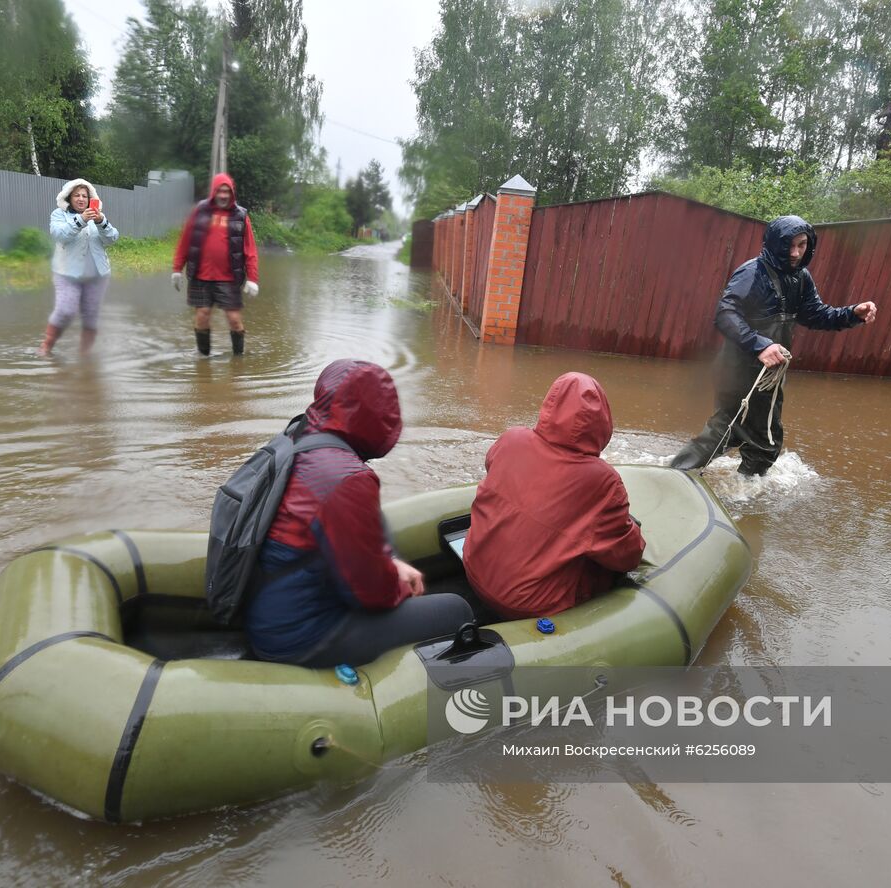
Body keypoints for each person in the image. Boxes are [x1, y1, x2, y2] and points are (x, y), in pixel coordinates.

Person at [244, 359, 474, 667]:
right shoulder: (346, 479)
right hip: (303, 635)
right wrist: (398, 582)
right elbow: (369, 594)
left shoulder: (297, 437)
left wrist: (389, 562)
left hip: (271, 608)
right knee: (457, 610)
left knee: (379, 524)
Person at [669, 215, 877, 476]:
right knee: (749, 435)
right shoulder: (752, 272)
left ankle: (722, 487)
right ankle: (686, 480)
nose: (795, 253)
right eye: (788, 246)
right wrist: (760, 345)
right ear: (773, 244)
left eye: (802, 245)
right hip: (740, 368)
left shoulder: (801, 278)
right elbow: (725, 313)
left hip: (768, 374)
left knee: (745, 433)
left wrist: (851, 314)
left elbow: (815, 314)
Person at [463, 372, 646, 620]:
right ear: (603, 421)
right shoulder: (603, 481)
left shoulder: (511, 439)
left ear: (550, 404)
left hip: (473, 570)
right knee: (604, 567)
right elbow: (626, 556)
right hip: (528, 605)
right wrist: (634, 534)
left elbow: (494, 470)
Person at [170, 172, 260, 356]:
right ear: (214, 192)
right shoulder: (200, 211)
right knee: (202, 315)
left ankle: (238, 359)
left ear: (231, 193)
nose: (224, 195)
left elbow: (250, 250)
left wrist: (252, 278)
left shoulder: (241, 216)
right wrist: (177, 269)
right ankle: (203, 360)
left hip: (229, 278)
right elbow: (185, 240)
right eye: (220, 191)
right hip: (201, 276)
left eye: (227, 191)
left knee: (234, 319)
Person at [39, 179, 118, 357]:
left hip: (97, 274)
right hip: (67, 273)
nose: (81, 199)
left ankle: (84, 357)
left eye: (84, 195)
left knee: (91, 316)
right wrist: (81, 220)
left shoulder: (98, 217)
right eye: (77, 195)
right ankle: (46, 346)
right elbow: (60, 235)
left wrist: (102, 222)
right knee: (66, 310)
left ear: (90, 199)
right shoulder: (59, 215)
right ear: (69, 197)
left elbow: (112, 238)